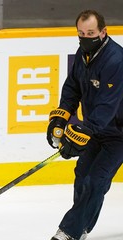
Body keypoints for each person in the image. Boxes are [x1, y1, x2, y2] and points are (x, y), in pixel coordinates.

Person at [46, 10, 123, 240]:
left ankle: (69, 232)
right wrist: (60, 117)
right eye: (81, 33)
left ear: (103, 32)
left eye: (91, 33)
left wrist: (82, 132)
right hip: (96, 131)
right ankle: (82, 227)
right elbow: (72, 88)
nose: (85, 37)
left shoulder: (116, 60)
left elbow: (106, 106)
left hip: (119, 134)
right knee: (82, 176)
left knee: (95, 181)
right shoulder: (83, 54)